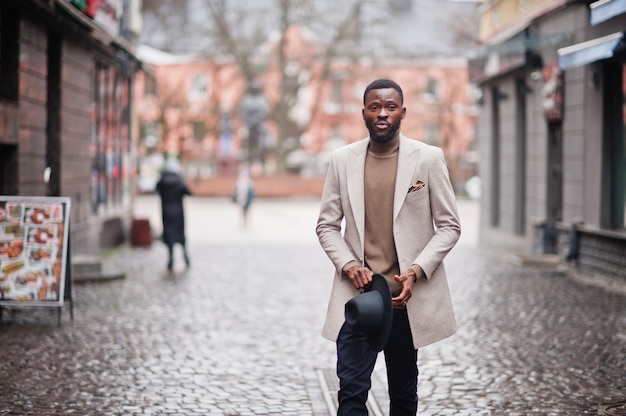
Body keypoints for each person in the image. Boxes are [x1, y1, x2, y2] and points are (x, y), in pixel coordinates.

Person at [316, 79, 461, 415]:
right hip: (358, 300)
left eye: (390, 107)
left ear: (402, 112)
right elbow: (326, 225)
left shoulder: (428, 158)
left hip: (405, 303)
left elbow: (450, 226)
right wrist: (349, 265)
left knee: (403, 394)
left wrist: (417, 270)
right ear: (364, 113)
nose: (382, 113)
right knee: (351, 394)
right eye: (375, 107)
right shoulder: (342, 160)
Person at [156, 157, 192, 270]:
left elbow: (155, 189)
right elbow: (189, 192)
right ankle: (185, 256)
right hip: (178, 213)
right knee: (180, 235)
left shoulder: (162, 180)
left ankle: (170, 260)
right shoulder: (179, 181)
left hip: (166, 212)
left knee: (169, 236)